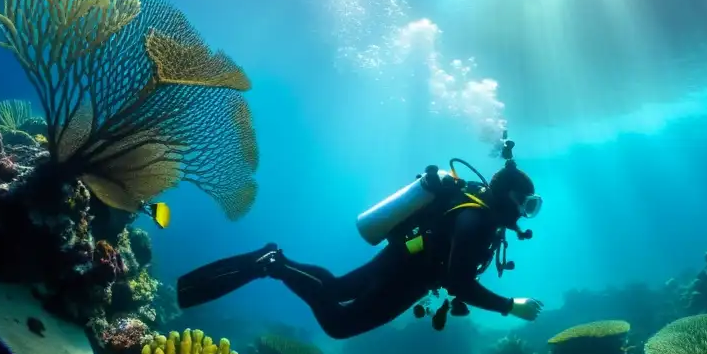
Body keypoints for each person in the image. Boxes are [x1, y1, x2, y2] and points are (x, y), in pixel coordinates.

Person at [176, 145, 545, 339]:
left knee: (336, 288)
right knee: (339, 324)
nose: (527, 213)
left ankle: (274, 261)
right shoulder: (476, 219)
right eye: (527, 205)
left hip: (403, 262)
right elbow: (459, 281)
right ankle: (273, 263)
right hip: (405, 275)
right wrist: (510, 306)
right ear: (508, 196)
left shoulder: (478, 211)